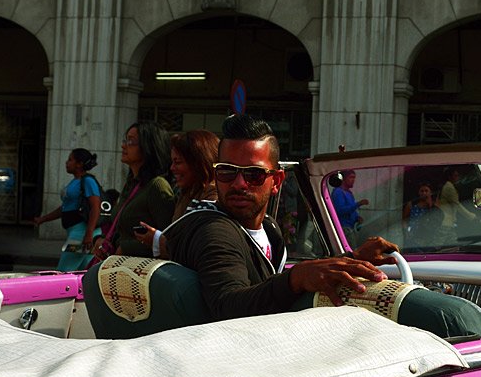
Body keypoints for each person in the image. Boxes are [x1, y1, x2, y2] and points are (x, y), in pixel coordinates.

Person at [165, 114, 393, 321]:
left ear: (277, 181)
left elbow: (267, 285)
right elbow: (228, 306)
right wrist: (295, 279)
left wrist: (352, 259)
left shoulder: (269, 228)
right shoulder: (214, 231)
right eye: (227, 171)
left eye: (254, 174)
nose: (238, 184)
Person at [92, 121, 174, 261]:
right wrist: (101, 240)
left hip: (140, 271)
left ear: (148, 147)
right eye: (125, 140)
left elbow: (168, 240)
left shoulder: (157, 186)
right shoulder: (132, 185)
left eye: (131, 141)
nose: (124, 146)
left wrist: (127, 248)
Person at [133, 129, 219, 259]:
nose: (172, 168)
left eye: (178, 162)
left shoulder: (214, 196)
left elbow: (194, 246)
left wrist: (156, 239)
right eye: (172, 162)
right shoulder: (186, 193)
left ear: (199, 163)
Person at [32, 149, 103, 271]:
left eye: (70, 159)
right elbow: (65, 208)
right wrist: (43, 219)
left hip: (82, 235)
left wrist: (89, 234)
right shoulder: (75, 182)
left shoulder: (88, 181)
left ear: (79, 164)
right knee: (81, 274)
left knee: (63, 272)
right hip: (80, 234)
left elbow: (95, 207)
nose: (66, 162)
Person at [435, 167, 479, 245]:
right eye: (455, 175)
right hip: (445, 223)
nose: (457, 178)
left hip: (448, 223)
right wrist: (472, 217)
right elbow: (457, 205)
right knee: (437, 245)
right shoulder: (449, 187)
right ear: (449, 177)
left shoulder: (447, 186)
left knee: (452, 245)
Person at [331, 169, 368, 240]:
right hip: (343, 229)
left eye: (354, 178)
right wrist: (358, 204)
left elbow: (351, 210)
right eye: (351, 177)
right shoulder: (338, 192)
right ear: (344, 178)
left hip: (350, 228)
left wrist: (357, 218)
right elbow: (340, 210)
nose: (353, 180)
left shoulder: (349, 193)